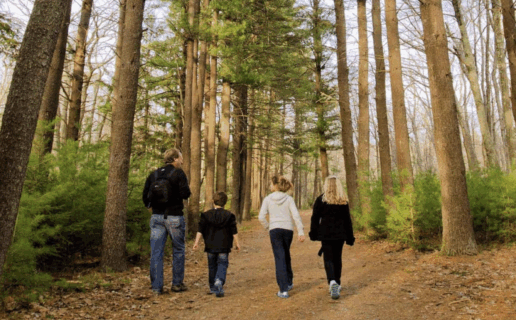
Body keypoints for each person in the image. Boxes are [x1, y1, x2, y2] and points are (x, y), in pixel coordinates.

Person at [142, 148, 191, 295]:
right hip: (174, 216)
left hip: (156, 217)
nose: (182, 161)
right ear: (175, 159)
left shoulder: (154, 174)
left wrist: (152, 208)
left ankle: (157, 287)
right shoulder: (178, 173)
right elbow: (185, 194)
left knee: (156, 252)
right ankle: (176, 284)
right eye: (180, 158)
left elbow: (145, 196)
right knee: (178, 250)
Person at [309, 175, 355, 300]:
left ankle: (332, 281)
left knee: (328, 258)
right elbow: (347, 221)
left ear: (327, 185)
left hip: (326, 234)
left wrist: (313, 233)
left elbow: (315, 218)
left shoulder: (321, 200)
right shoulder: (343, 201)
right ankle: (337, 283)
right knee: (337, 258)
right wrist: (350, 237)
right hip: (340, 235)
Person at [258, 175, 305, 299]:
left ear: (275, 185)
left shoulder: (268, 199)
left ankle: (283, 290)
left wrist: (268, 227)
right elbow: (296, 215)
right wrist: (300, 231)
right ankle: (289, 282)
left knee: (280, 257)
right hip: (288, 230)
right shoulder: (289, 199)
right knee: (285, 254)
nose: (270, 186)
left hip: (275, 230)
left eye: (271, 184)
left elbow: (261, 217)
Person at [192, 191, 241, 297]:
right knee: (223, 264)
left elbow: (200, 229)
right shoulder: (229, 215)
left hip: (210, 246)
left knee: (212, 266)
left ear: (213, 201)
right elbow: (234, 231)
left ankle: (213, 287)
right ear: (225, 203)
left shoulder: (206, 215)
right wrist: (237, 243)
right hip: (224, 246)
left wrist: (196, 242)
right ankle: (219, 280)